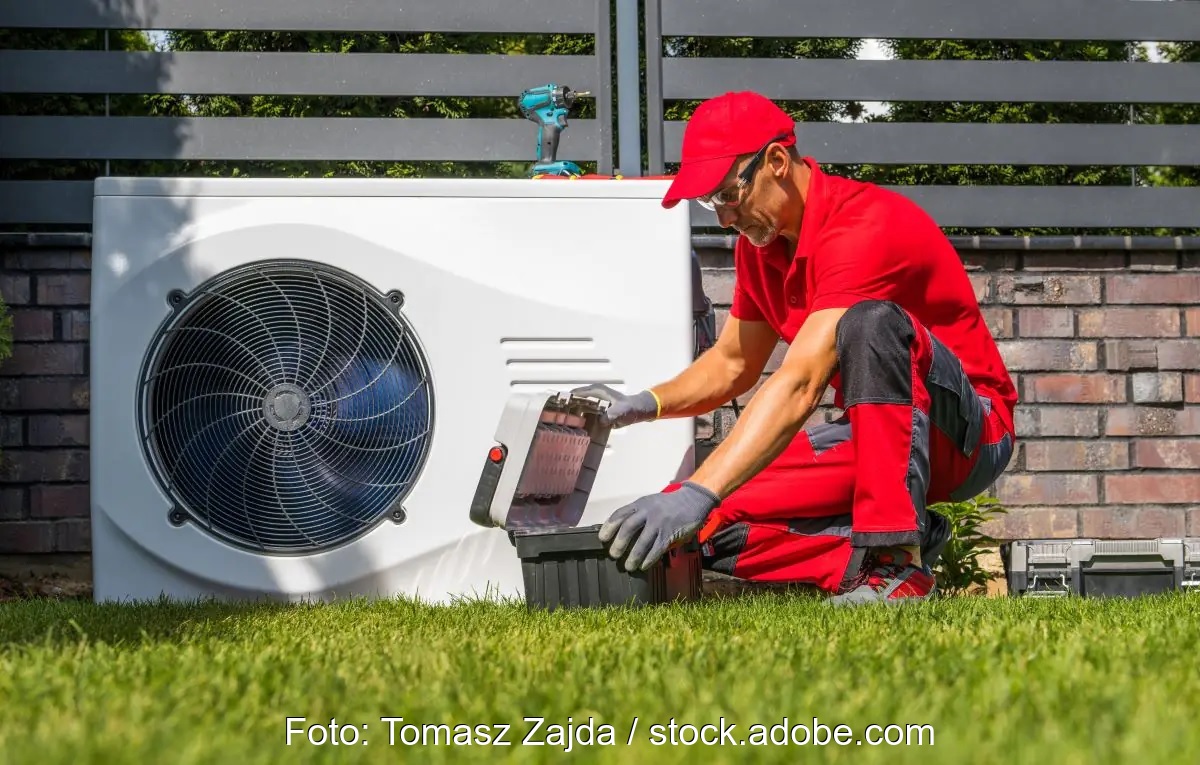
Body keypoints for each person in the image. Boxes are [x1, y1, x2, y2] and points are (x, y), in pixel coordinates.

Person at [572, 91, 1017, 605]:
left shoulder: (864, 226)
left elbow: (801, 380)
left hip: (968, 434)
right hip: (877, 438)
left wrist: (699, 489)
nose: (724, 218)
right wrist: (644, 404)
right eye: (711, 203)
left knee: (870, 323)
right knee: (703, 522)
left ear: (777, 162)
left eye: (728, 195)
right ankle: (888, 548)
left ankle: (895, 562)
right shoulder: (761, 249)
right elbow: (733, 363)